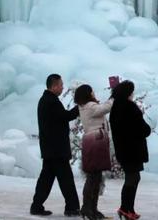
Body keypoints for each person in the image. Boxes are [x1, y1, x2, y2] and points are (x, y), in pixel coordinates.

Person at [30, 74, 81, 217]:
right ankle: (72, 208)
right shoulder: (51, 101)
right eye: (60, 85)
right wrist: (80, 107)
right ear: (53, 86)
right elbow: (66, 116)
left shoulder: (45, 100)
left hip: (49, 149)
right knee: (66, 179)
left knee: (45, 180)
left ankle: (36, 206)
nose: (62, 87)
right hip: (57, 149)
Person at [109, 81, 151, 220]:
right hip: (132, 150)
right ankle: (126, 209)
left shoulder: (116, 107)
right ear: (128, 93)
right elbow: (143, 128)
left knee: (132, 177)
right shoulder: (129, 108)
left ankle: (128, 208)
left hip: (123, 149)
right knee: (132, 178)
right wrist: (145, 130)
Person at [74, 84, 114, 220]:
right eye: (92, 91)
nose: (93, 93)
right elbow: (106, 107)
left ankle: (91, 208)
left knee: (95, 176)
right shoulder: (90, 106)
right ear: (88, 94)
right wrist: (114, 96)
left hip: (93, 141)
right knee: (93, 177)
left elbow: (102, 108)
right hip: (96, 141)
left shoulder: (84, 106)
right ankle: (88, 208)